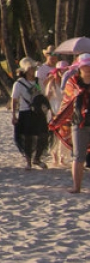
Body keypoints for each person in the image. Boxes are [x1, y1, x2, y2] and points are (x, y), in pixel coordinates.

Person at [12, 57, 51, 170]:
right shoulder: (19, 83)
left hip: (38, 112)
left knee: (43, 135)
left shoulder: (38, 81)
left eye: (33, 68)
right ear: (24, 70)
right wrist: (14, 115)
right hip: (26, 112)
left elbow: (42, 94)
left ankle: (37, 158)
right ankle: (28, 161)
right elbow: (14, 100)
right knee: (28, 137)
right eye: (30, 68)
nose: (32, 70)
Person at [62, 55, 90, 193]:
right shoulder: (73, 82)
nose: (88, 68)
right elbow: (66, 102)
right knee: (78, 155)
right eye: (85, 65)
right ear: (80, 67)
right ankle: (76, 186)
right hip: (79, 123)